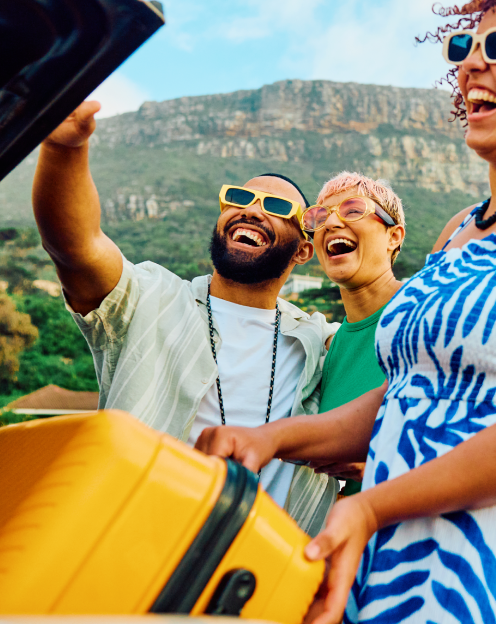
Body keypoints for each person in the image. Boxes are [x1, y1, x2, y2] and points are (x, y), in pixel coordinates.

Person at [195, 0, 496, 624]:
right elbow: (410, 397)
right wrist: (271, 439)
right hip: (406, 565)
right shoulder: (459, 229)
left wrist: (372, 506)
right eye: (464, 47)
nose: (472, 61)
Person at [32, 101, 339, 534]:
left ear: (304, 251)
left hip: (266, 577)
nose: (251, 210)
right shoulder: (149, 297)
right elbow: (75, 246)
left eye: (273, 205)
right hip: (132, 550)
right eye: (238, 198)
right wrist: (65, 148)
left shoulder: (320, 341)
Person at [297, 172, 406, 495]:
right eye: (319, 217)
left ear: (393, 237)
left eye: (353, 210)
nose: (331, 224)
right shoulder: (331, 348)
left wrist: (382, 467)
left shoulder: (429, 310)